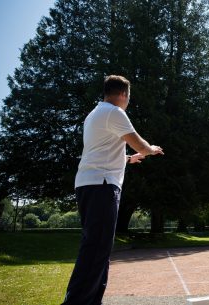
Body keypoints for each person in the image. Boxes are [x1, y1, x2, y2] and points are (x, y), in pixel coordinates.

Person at [62, 75, 164, 305]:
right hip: (102, 186)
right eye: (129, 96)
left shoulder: (94, 114)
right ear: (123, 94)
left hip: (91, 184)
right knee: (95, 249)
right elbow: (139, 142)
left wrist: (129, 158)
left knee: (99, 249)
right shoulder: (114, 112)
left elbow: (103, 150)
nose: (128, 101)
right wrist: (150, 149)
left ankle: (91, 300)